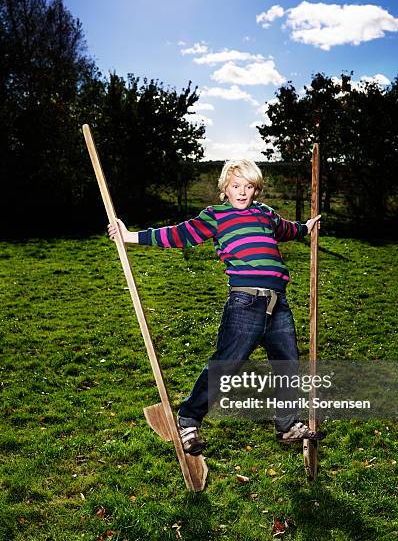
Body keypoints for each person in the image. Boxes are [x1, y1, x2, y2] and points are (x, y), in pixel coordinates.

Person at [108, 159, 326, 455]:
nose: (242, 192)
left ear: (256, 189)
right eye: (236, 186)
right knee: (227, 363)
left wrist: (306, 228)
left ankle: (287, 424)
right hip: (245, 303)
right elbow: (180, 234)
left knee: (288, 364)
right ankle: (188, 418)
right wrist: (131, 236)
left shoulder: (265, 214)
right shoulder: (216, 216)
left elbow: (287, 229)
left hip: (278, 304)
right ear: (225, 187)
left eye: (249, 187)